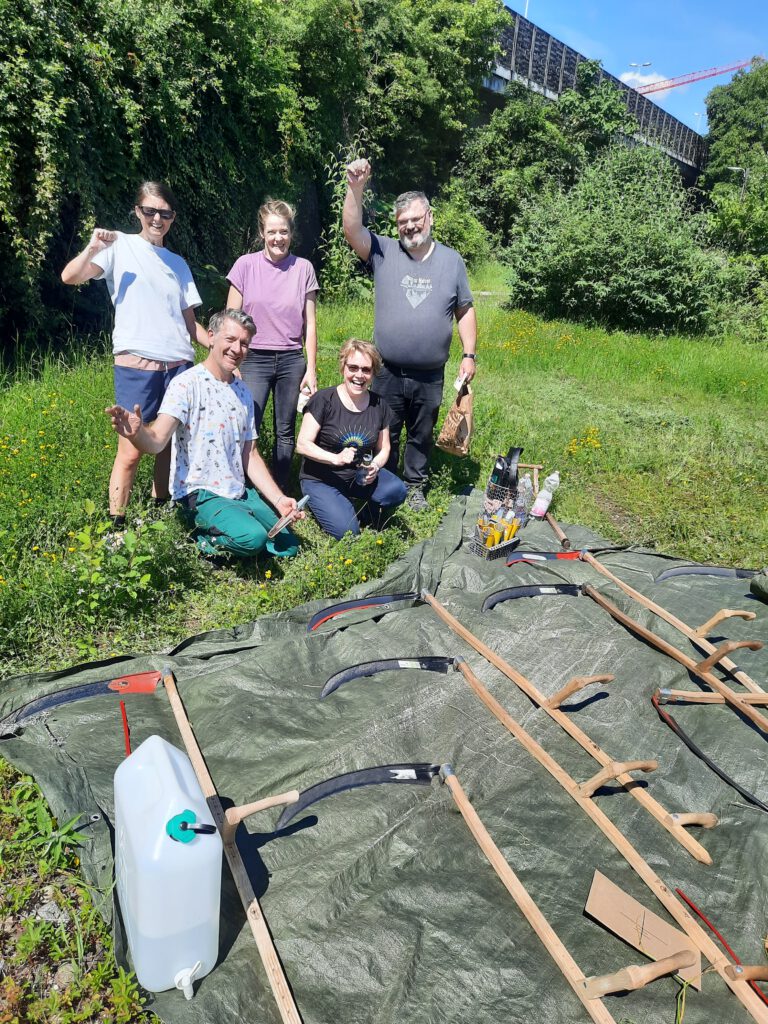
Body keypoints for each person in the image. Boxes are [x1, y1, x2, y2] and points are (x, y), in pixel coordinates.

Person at [61, 181, 205, 527]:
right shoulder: (118, 246)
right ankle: (117, 524)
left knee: (168, 444)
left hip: (180, 364)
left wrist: (221, 350)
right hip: (136, 363)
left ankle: (161, 510)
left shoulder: (178, 263)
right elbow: (70, 276)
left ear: (173, 217)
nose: (157, 218)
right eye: (150, 211)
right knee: (130, 449)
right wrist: (93, 247)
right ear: (137, 211)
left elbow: (191, 324)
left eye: (165, 213)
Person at [105, 310, 304, 560]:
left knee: (287, 545)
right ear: (211, 337)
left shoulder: (243, 392)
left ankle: (241, 525)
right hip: (201, 494)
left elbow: (250, 454)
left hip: (238, 491)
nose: (237, 349)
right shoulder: (186, 384)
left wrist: (278, 499)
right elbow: (156, 441)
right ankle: (194, 539)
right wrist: (137, 434)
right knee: (253, 539)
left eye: (244, 343)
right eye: (230, 339)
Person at [342, 159, 477, 511]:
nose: (410, 226)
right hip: (386, 369)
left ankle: (415, 485)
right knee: (385, 428)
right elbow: (352, 231)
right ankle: (384, 481)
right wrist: (355, 189)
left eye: (416, 219)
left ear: (429, 216)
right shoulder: (384, 251)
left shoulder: (452, 261)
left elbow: (464, 308)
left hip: (430, 373)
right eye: (403, 222)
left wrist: (469, 354)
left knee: (422, 432)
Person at [226, 199, 319, 491]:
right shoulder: (245, 265)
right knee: (246, 425)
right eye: (272, 232)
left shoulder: (303, 268)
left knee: (285, 430)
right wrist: (232, 366)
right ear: (262, 233)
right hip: (253, 358)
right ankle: (241, 487)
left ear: (291, 233)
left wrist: (311, 369)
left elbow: (311, 324)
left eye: (283, 231)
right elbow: (230, 320)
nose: (278, 238)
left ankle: (280, 490)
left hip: (292, 359)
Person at [296, 339, 407, 540]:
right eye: (353, 367)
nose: (359, 375)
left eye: (366, 370)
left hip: (358, 476)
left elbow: (384, 449)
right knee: (348, 533)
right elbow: (302, 444)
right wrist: (335, 458)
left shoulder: (379, 405)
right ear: (343, 368)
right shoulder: (323, 399)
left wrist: (374, 465)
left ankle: (361, 511)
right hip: (321, 479)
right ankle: (332, 506)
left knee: (397, 491)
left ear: (373, 374)